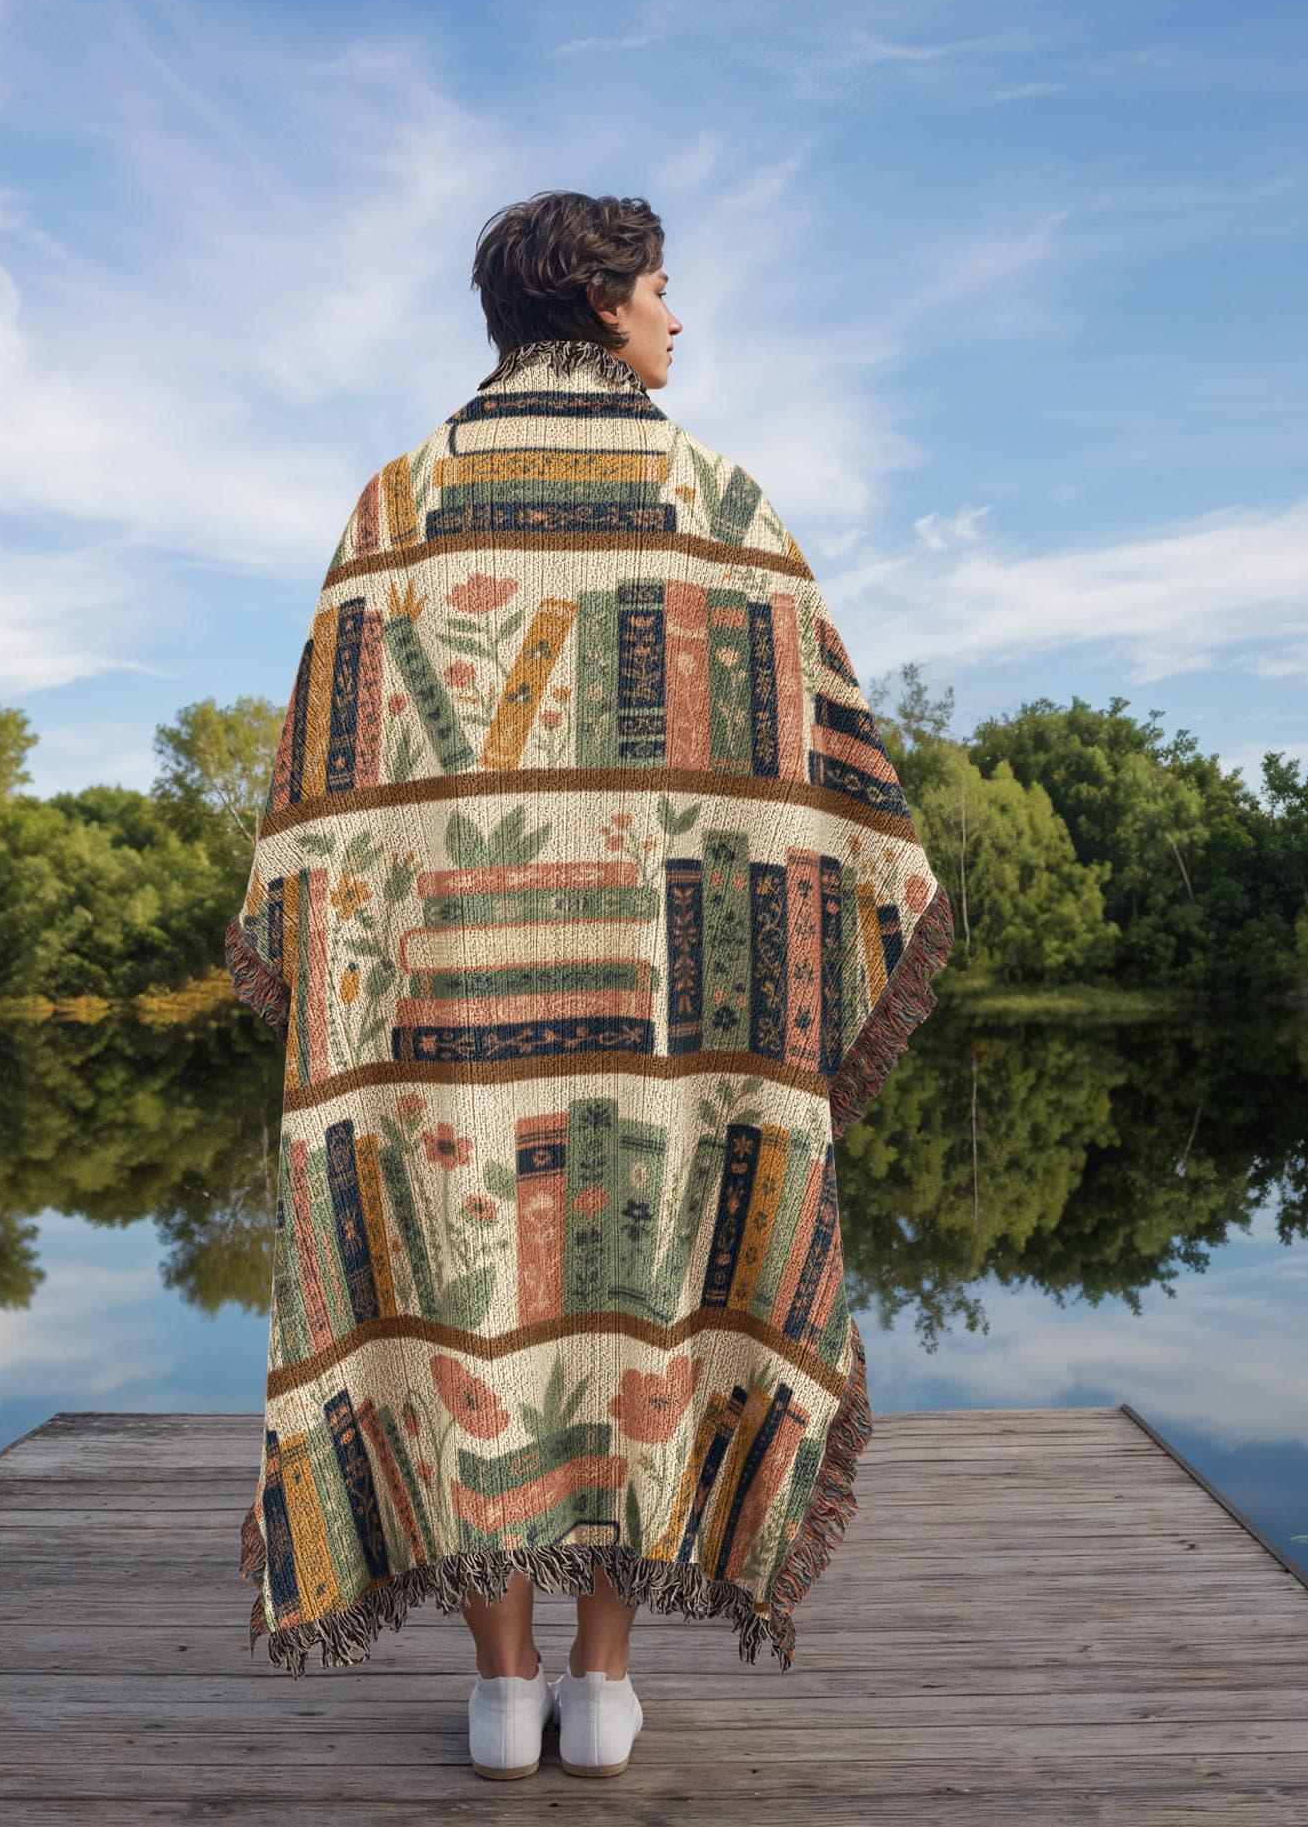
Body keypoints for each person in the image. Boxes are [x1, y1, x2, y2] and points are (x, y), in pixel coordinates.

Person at [226, 191, 952, 1780]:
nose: (680, 323)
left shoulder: (393, 505)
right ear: (609, 300)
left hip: (438, 1036)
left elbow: (319, 805)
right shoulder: (720, 504)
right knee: (642, 1294)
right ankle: (604, 1683)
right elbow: (817, 789)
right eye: (666, 293)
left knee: (477, 1309)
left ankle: (502, 1690)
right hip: (670, 1031)